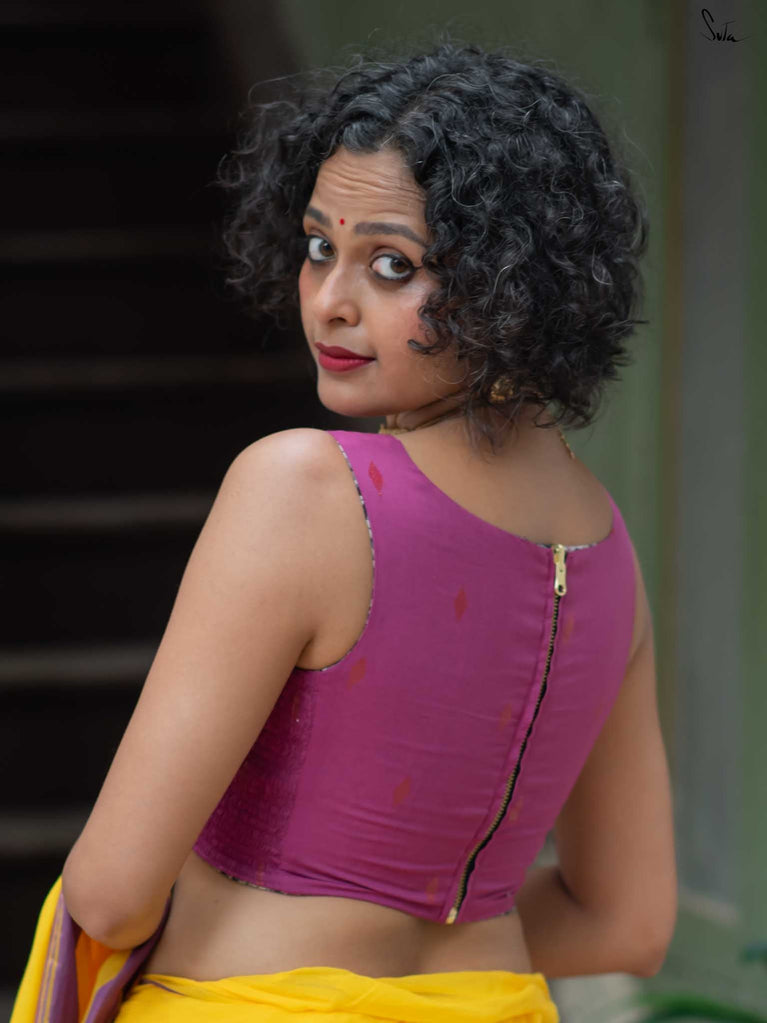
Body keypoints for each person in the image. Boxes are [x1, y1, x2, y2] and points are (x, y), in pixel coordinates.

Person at [12, 39, 677, 1023]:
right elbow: (625, 922)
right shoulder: (607, 550)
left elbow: (110, 893)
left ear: (514, 280)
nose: (329, 301)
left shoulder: (307, 489)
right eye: (320, 247)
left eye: (391, 265)